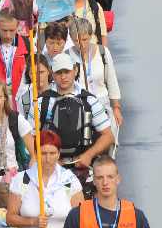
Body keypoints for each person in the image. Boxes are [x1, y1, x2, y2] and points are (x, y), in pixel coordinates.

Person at [37, 52, 114, 181]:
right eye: (59, 72)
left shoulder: (89, 100)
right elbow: (31, 137)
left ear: (75, 70)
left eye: (67, 72)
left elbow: (108, 136)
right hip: (50, 171)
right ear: (52, 73)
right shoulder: (41, 102)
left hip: (84, 169)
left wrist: (88, 155)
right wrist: (48, 160)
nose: (63, 77)